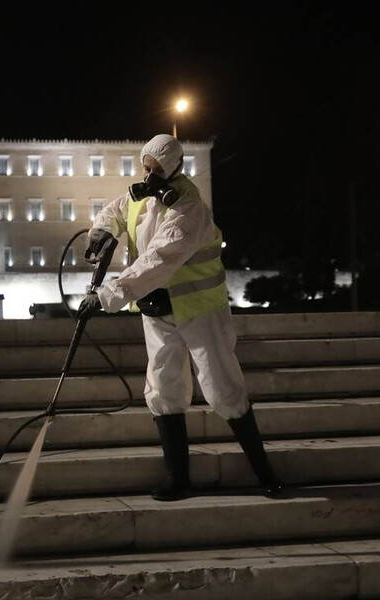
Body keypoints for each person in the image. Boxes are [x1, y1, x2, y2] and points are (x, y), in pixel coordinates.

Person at [79, 134, 283, 501]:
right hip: (157, 310)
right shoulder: (141, 197)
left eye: (157, 169)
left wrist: (106, 296)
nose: (149, 173)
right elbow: (116, 209)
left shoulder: (189, 208)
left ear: (175, 168)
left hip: (200, 310)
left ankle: (264, 472)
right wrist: (101, 232)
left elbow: (157, 261)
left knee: (223, 387)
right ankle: (178, 479)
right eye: (146, 166)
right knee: (163, 387)